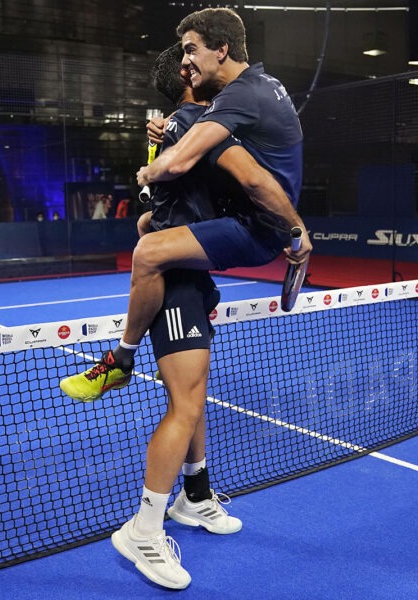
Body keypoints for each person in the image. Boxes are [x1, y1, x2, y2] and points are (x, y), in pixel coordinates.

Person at [60, 7, 311, 403]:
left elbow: (197, 166)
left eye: (191, 50)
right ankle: (205, 292)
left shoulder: (240, 95)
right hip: (258, 216)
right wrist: (172, 124)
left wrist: (147, 172)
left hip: (259, 226)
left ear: (222, 49)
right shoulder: (264, 84)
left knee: (148, 251)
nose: (186, 61)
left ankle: (121, 361)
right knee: (148, 224)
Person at [107, 43, 245, 591]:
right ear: (189, 77)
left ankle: (194, 496)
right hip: (176, 284)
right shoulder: (192, 124)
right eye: (200, 63)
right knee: (185, 404)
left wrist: (148, 219)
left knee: (192, 397)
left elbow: (157, 208)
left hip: (192, 274)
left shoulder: (176, 129)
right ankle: (143, 530)